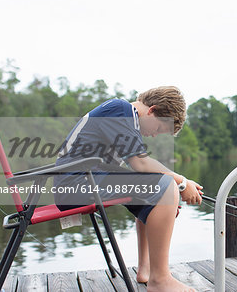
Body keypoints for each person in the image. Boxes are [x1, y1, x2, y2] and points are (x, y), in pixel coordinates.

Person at [53, 86, 202, 292]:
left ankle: (146, 270)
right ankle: (160, 280)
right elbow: (140, 164)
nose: (154, 135)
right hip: (75, 185)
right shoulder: (120, 109)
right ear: (152, 110)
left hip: (80, 183)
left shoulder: (122, 117)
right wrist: (182, 182)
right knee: (166, 186)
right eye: (158, 129)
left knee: (157, 194)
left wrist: (166, 204)